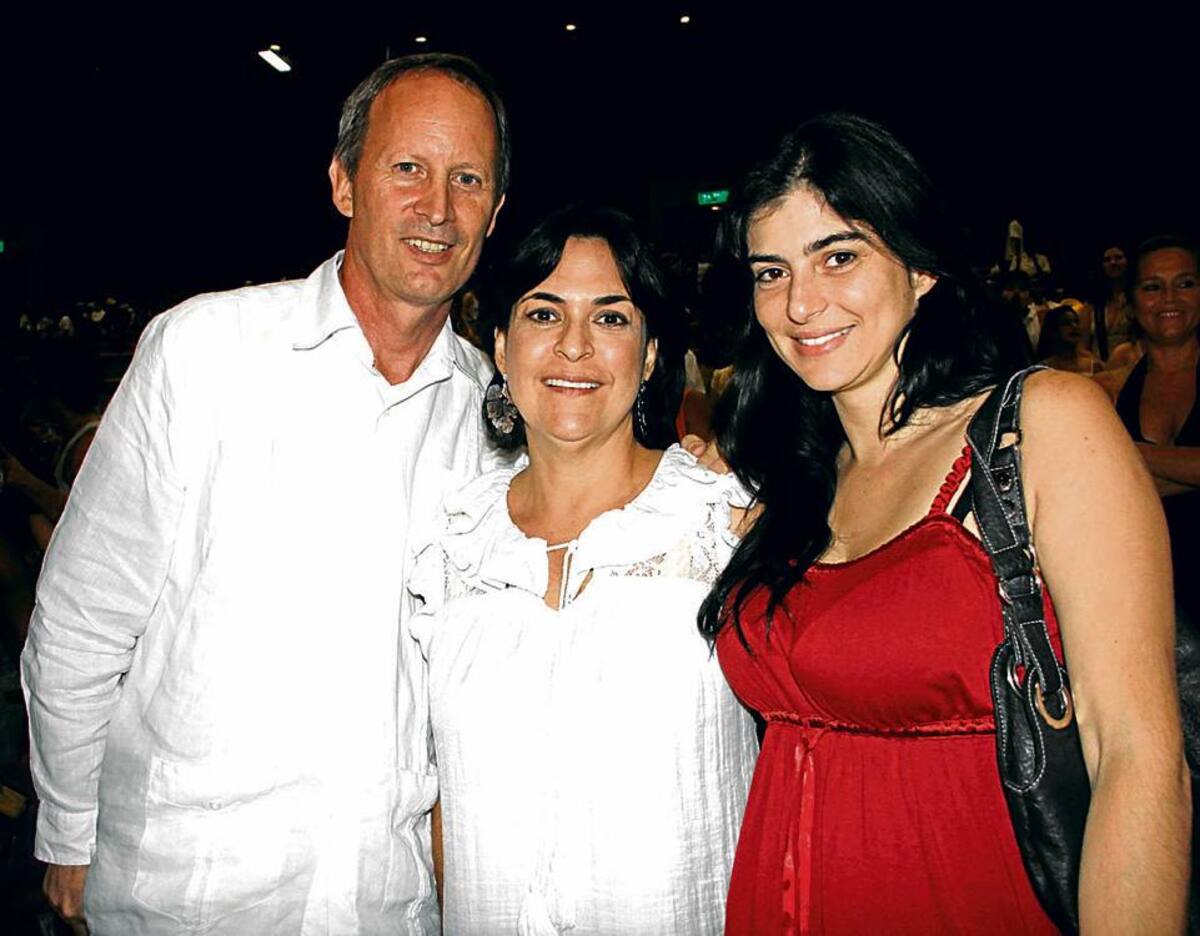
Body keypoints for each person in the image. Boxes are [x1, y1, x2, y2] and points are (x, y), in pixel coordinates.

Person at [21, 52, 509, 935]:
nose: (438, 208)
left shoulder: (496, 415)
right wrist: (67, 832)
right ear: (343, 183)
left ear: (496, 212)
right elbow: (81, 618)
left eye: (467, 179)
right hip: (190, 894)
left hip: (387, 901)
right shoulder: (205, 352)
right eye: (407, 168)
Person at [698, 113, 1190, 934]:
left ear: (921, 267)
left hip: (970, 890)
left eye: (839, 256)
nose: (800, 302)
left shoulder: (1040, 426)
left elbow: (1138, 758)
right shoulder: (784, 475)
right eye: (770, 271)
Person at [407, 206, 758, 934]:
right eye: (543, 314)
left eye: (610, 319)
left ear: (652, 353)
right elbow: (441, 806)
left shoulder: (727, 523)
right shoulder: (449, 547)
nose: (573, 347)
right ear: (500, 346)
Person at [1095, 235, 1200, 628]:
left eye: (1186, 283)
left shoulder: (1105, 411)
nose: (1170, 298)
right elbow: (1097, 486)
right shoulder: (1110, 389)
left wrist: (1122, 453)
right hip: (1147, 591)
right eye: (1153, 287)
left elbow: (1113, 476)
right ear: (1131, 303)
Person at [1035, 302, 1103, 374]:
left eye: (1076, 322)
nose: (1074, 327)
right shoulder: (1044, 368)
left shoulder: (1094, 364)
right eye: (1066, 323)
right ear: (1054, 330)